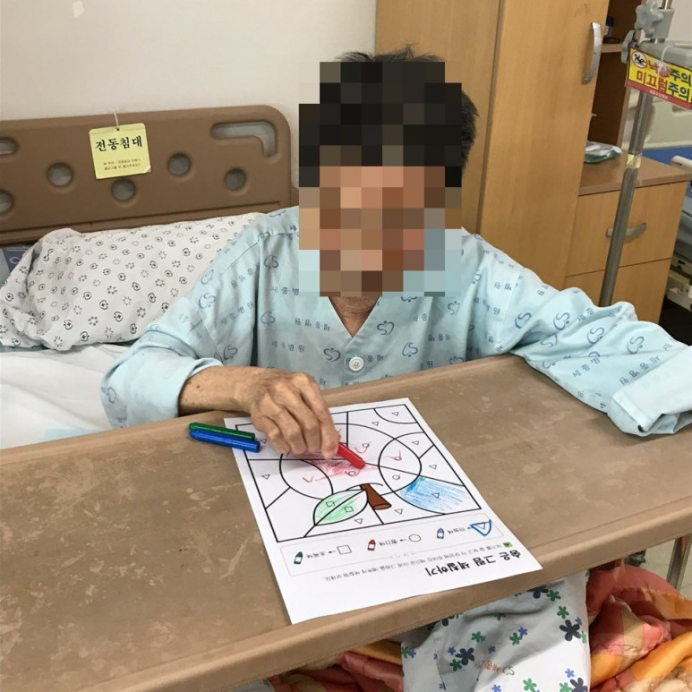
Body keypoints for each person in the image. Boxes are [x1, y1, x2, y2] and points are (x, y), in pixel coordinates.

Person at [102, 47, 692, 691]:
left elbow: (594, 335)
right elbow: (132, 376)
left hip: (433, 534)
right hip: (297, 535)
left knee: (534, 604)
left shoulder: (465, 267)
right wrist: (246, 384)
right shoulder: (263, 256)